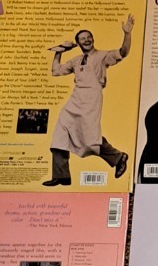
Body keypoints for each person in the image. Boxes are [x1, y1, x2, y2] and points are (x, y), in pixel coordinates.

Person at [43, 18, 133, 187]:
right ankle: (62, 176)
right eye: (82, 38)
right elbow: (55, 71)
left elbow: (123, 52)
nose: (87, 40)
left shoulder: (102, 56)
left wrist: (127, 33)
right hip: (75, 99)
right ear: (78, 43)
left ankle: (118, 157)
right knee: (59, 136)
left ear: (93, 39)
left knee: (90, 139)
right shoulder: (76, 60)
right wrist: (60, 51)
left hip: (92, 98)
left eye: (89, 37)